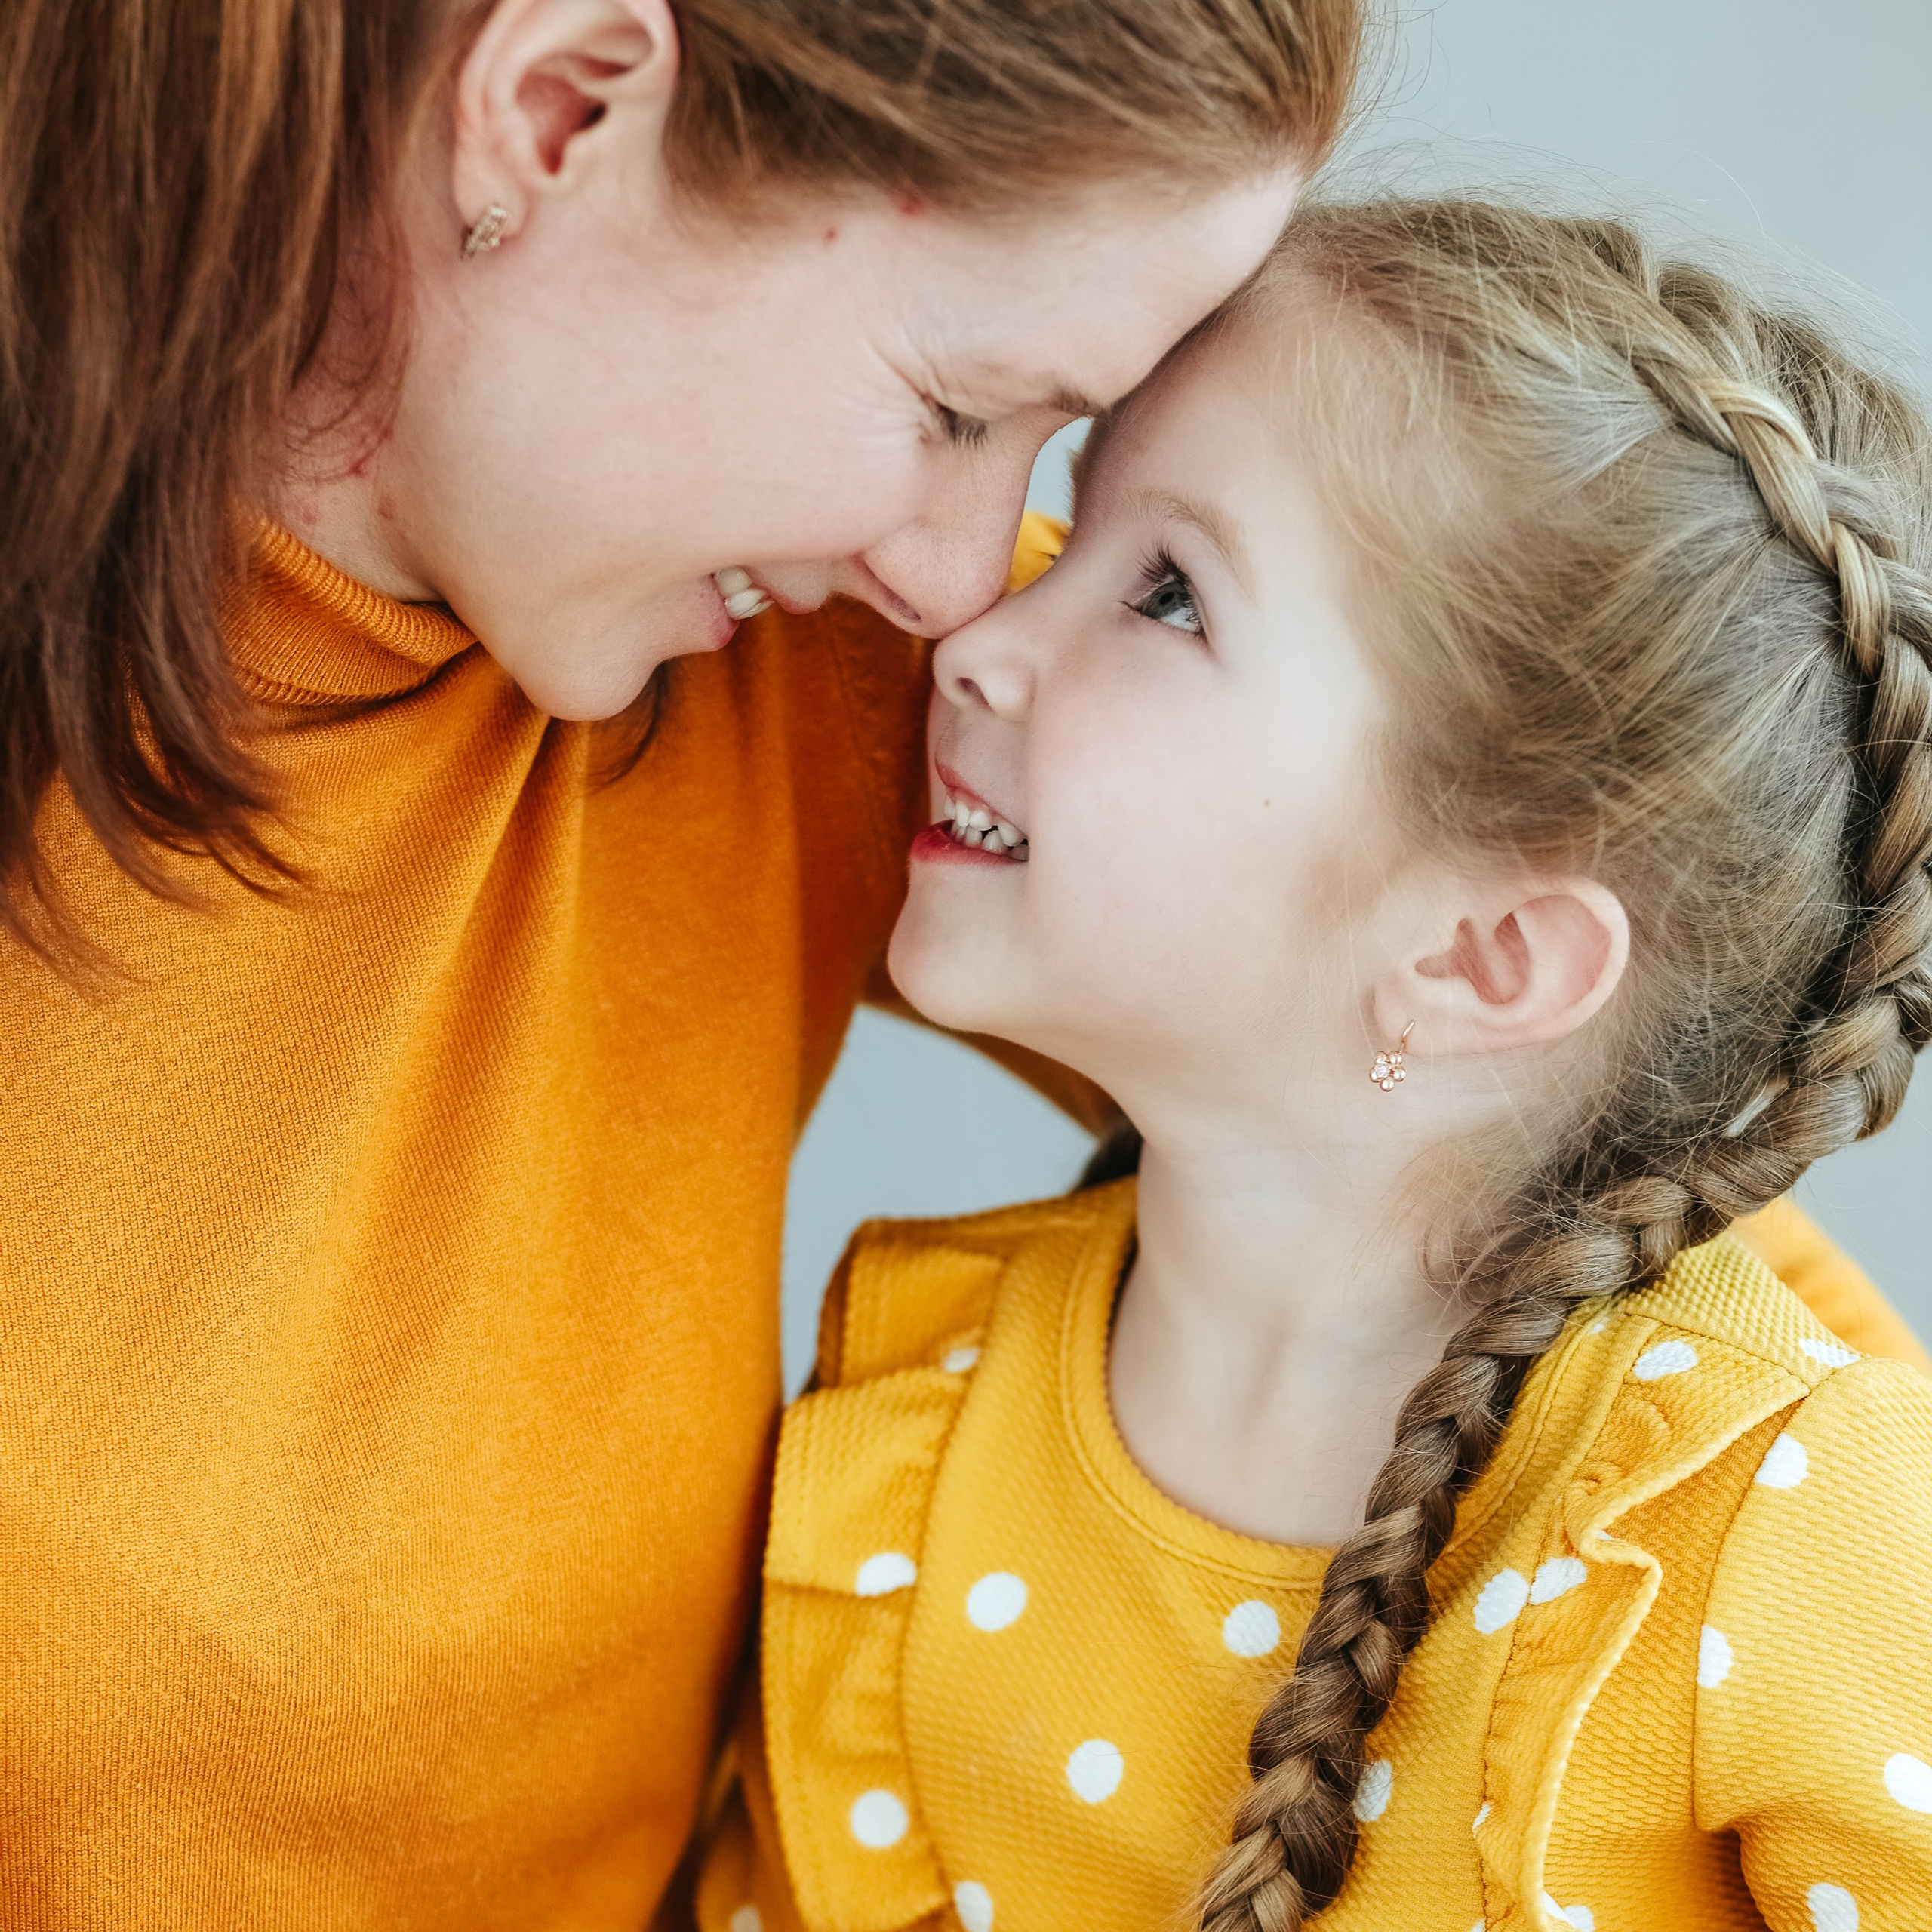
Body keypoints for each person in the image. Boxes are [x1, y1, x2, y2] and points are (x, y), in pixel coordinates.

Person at [0, 2, 1364, 1924]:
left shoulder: (846, 660)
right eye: (954, 406)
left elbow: (1508, 1087)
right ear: (553, 111)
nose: (969, 575)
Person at [694, 198, 1932, 1932]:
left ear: (1480, 956)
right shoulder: (921, 1392)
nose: (976, 627)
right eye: (1085, 522)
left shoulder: (1779, 1537)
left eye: (1168, 593)